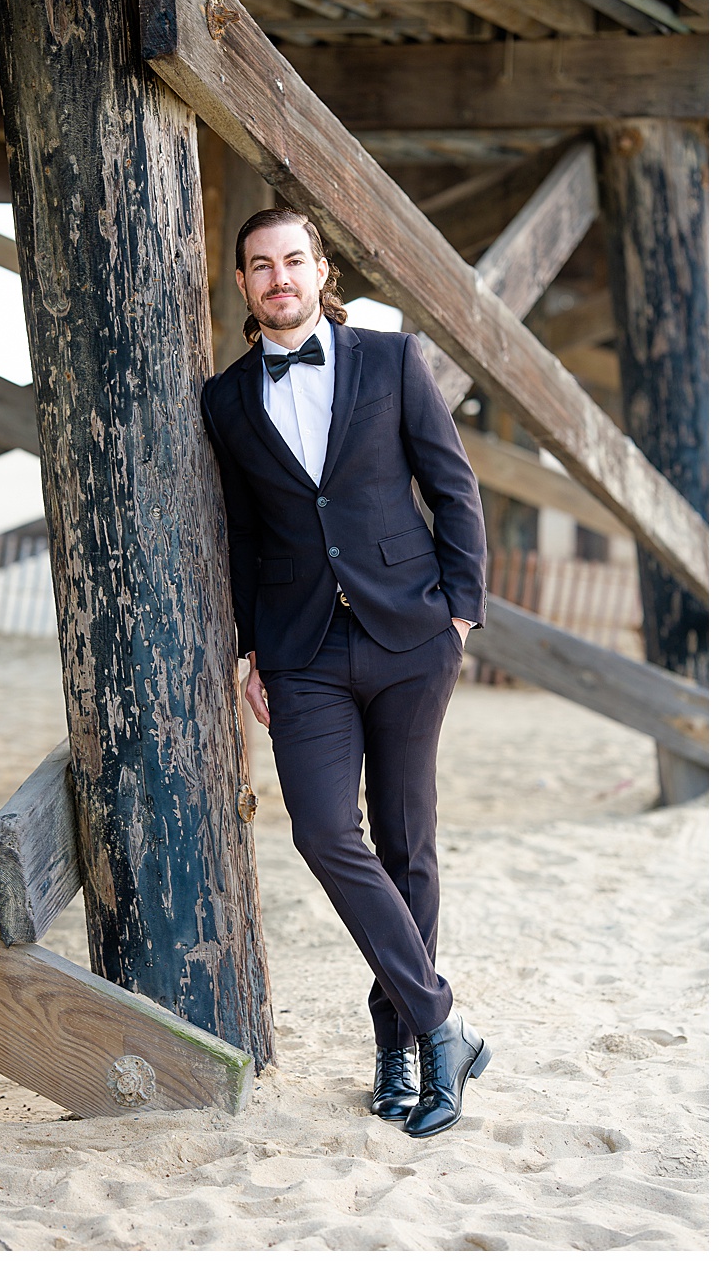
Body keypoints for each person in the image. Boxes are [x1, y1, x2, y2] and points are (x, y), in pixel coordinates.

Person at [199, 208, 492, 1138]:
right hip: (305, 650)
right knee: (326, 831)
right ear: (243, 285)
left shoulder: (392, 360)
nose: (278, 277)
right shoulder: (227, 400)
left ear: (321, 270)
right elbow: (245, 530)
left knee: (408, 844)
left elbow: (453, 484)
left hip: (411, 634)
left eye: (293, 260)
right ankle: (442, 1020)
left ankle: (399, 1044)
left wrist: (461, 607)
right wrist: (251, 645)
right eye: (259, 266)